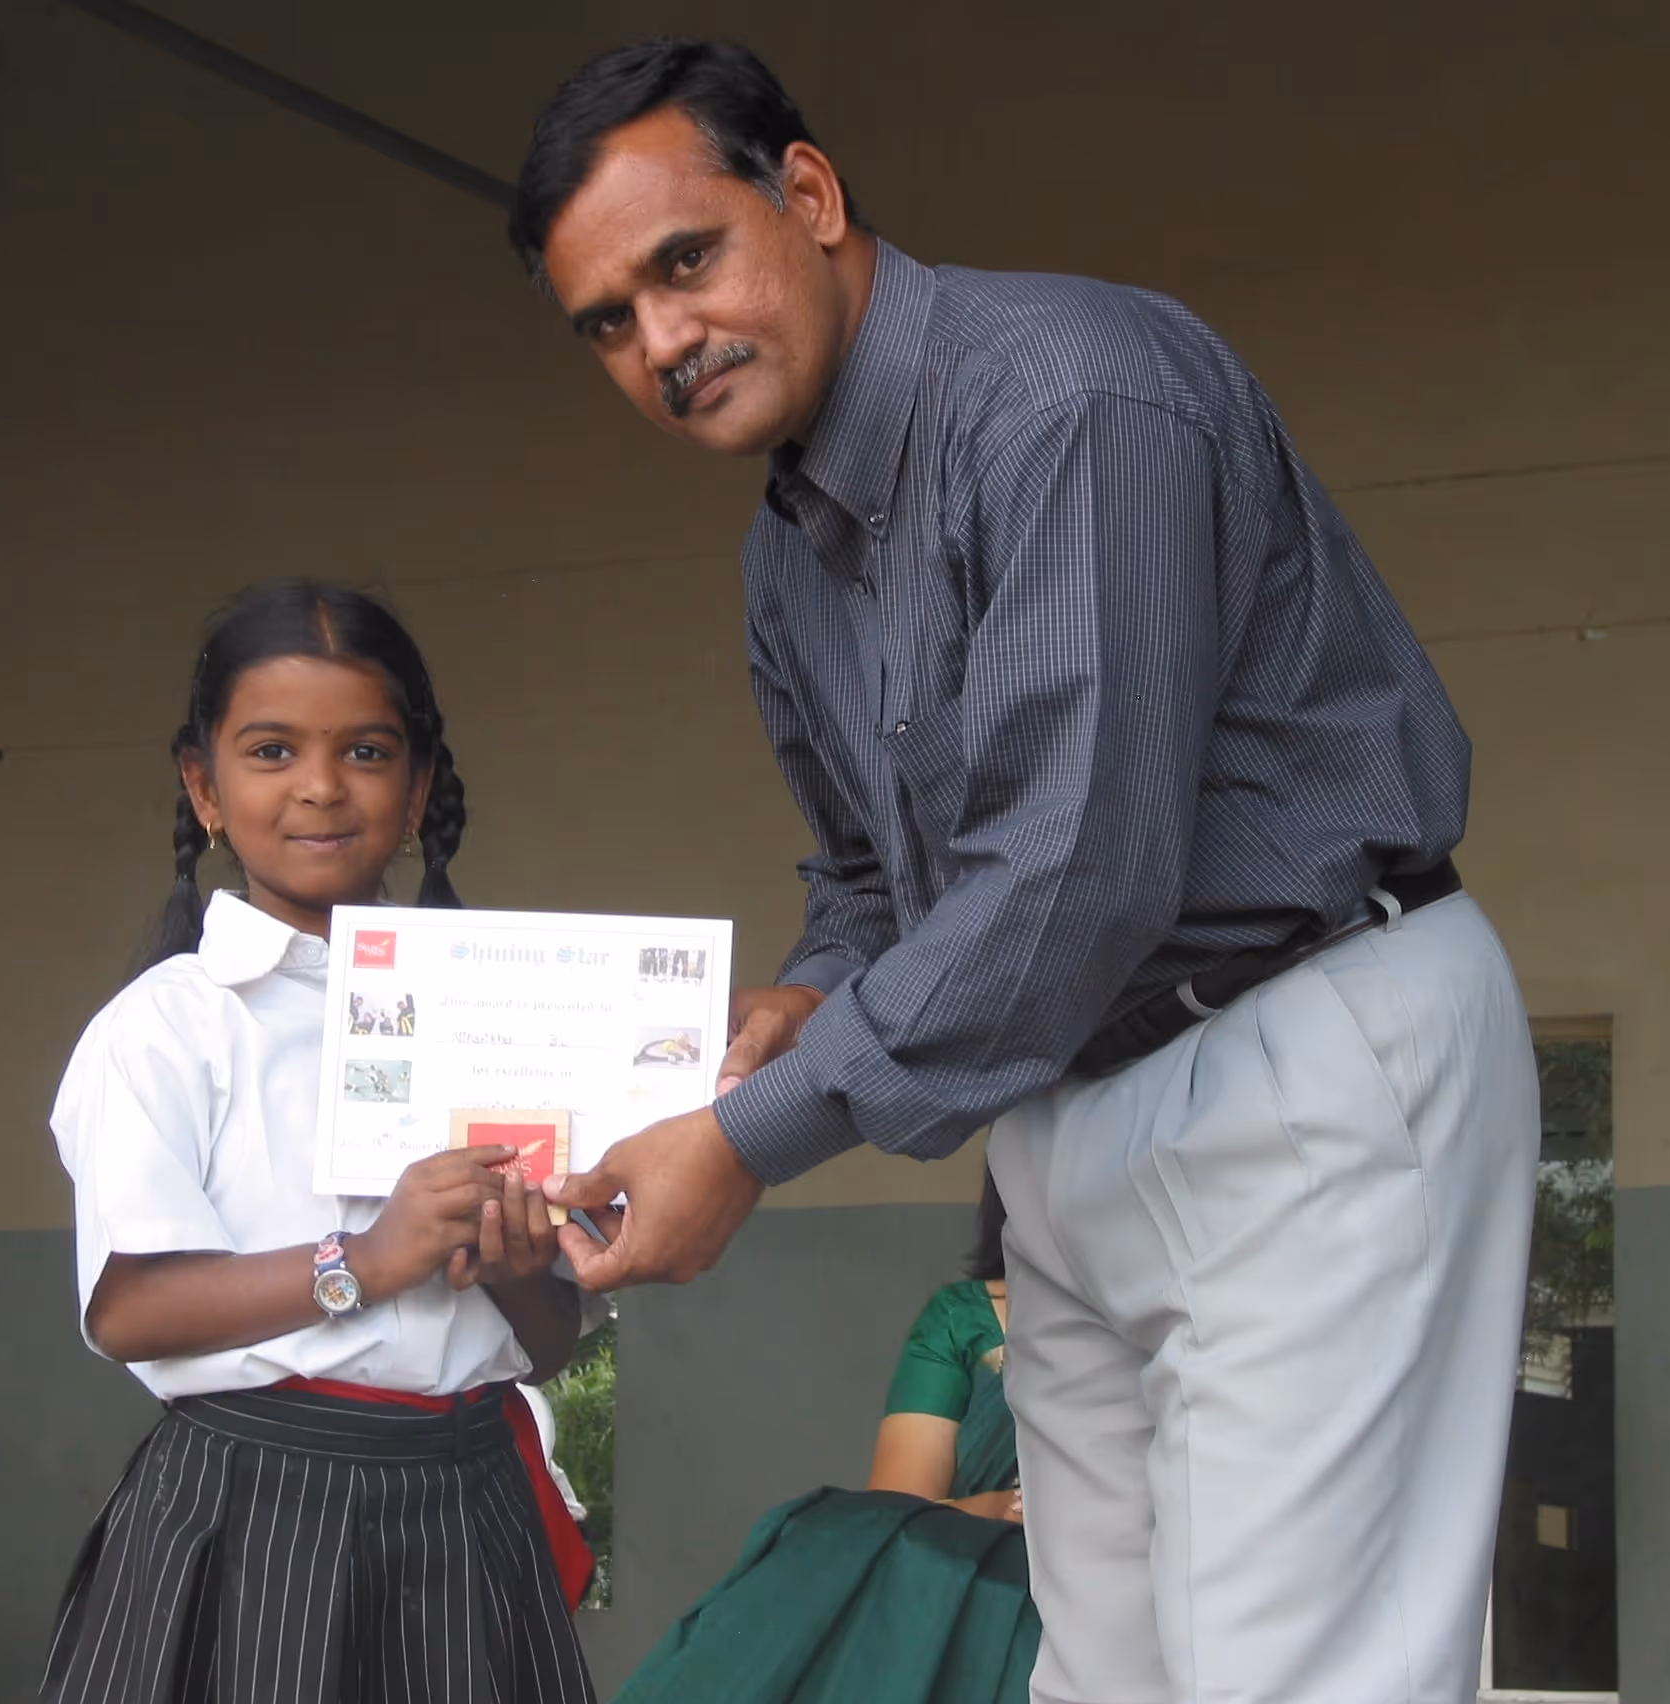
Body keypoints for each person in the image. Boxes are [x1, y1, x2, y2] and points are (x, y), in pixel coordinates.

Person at [512, 39, 1539, 1704]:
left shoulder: (1069, 392)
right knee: (1097, 1675)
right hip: (1063, 1102)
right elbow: (869, 871)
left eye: (680, 261)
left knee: (1294, 1677)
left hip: (1297, 1039)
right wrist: (804, 993)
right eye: (608, 324)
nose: (661, 342)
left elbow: (1074, 872)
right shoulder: (790, 547)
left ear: (812, 194)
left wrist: (743, 1138)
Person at [40, 581, 598, 1704]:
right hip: (254, 1507)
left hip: (466, 1496)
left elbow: (540, 1343)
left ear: (420, 783)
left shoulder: (496, 1017)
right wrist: (368, 1262)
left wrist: (521, 1265)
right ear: (203, 784)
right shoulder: (170, 1024)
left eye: (367, 751)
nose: (319, 786)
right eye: (270, 750)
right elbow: (128, 1307)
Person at [616, 1174, 1041, 1704]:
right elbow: (900, 1517)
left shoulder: (1158, 1313)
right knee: (829, 1542)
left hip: (1126, 1586)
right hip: (989, 1601)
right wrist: (1007, 1508)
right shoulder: (963, 1320)